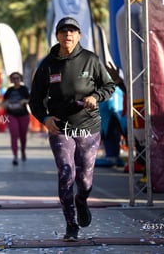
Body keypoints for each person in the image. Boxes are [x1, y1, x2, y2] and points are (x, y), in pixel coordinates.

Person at [29, 17, 115, 241]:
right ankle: (71, 225)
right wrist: (45, 119)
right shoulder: (47, 65)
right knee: (66, 173)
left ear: (79, 36)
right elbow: (35, 100)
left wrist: (95, 97)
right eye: (64, 30)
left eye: (73, 31)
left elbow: (109, 86)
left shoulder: (90, 59)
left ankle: (82, 200)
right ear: (57, 36)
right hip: (60, 128)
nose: (68, 34)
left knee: (84, 180)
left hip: (88, 127)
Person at [2, 72, 30, 165]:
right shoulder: (9, 90)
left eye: (17, 78)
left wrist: (24, 101)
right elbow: (3, 102)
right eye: (13, 78)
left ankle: (22, 151)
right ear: (11, 80)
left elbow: (30, 99)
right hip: (11, 115)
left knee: (23, 136)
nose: (15, 80)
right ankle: (15, 156)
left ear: (20, 79)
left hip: (23, 115)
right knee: (14, 134)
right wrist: (5, 104)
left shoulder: (24, 89)